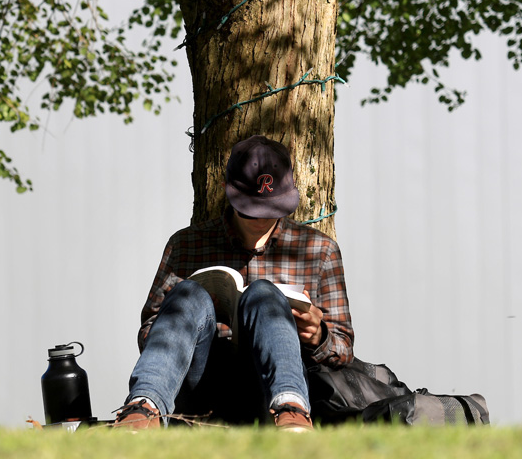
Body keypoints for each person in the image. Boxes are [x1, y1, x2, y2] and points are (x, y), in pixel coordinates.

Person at [114, 135, 354, 431]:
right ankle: (142, 409)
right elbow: (149, 332)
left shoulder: (318, 250)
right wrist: (195, 319)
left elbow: (343, 349)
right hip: (201, 385)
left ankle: (292, 410)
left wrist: (317, 335)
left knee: (265, 294)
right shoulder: (186, 244)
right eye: (251, 208)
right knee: (189, 294)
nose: (260, 219)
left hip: (272, 386)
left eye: (271, 209)